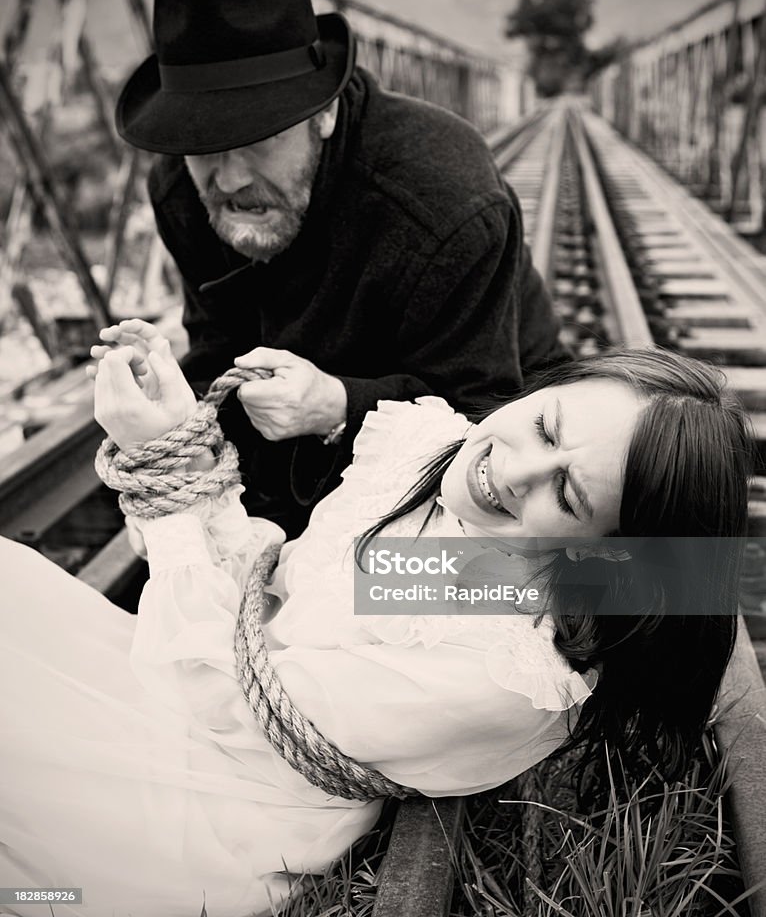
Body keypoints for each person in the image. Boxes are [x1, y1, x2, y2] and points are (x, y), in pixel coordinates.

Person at [0, 324, 751, 917]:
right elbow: (283, 602)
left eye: (570, 497)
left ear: (610, 560)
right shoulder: (462, 510)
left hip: (216, 806)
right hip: (189, 707)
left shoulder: (504, 667)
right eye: (548, 429)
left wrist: (162, 486)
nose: (512, 472)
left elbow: (234, 705)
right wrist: (185, 460)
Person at [108, 0, 570, 539]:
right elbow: (215, 345)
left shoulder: (445, 203)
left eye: (255, 138)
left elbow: (480, 408)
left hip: (481, 427)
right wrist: (170, 457)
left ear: (322, 113)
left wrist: (338, 404)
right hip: (296, 436)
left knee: (396, 592)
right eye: (202, 144)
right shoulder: (179, 189)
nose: (229, 178)